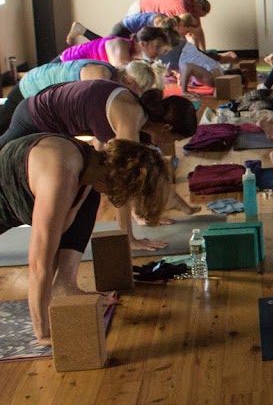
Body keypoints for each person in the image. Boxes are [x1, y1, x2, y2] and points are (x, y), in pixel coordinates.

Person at [4, 134, 170, 344]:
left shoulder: (90, 163)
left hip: (24, 173)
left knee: (82, 203)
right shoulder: (63, 175)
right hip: (7, 185)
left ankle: (64, 287)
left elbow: (61, 230)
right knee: (45, 250)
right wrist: (43, 332)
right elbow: (38, 263)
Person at [0, 80, 198, 250]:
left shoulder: (136, 114)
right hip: (33, 117)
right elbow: (123, 181)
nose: (172, 143)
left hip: (47, 121)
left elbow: (101, 153)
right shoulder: (130, 117)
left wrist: (149, 211)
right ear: (167, 127)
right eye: (176, 138)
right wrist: (128, 238)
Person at [0, 59, 165, 135]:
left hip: (40, 95)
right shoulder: (101, 75)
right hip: (29, 90)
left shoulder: (110, 76)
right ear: (130, 82)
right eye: (140, 91)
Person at [127, 0, 211, 50]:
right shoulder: (181, 5)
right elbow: (187, 33)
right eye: (198, 14)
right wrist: (196, 53)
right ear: (197, 7)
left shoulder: (193, 4)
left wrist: (204, 51)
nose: (197, 17)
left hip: (153, 16)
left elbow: (198, 30)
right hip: (140, 10)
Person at [57, 26, 171, 67]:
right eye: (156, 47)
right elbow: (120, 80)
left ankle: (82, 29)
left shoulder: (132, 51)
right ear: (143, 44)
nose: (158, 53)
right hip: (65, 62)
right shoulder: (121, 47)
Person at [65, 12, 165, 45]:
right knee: (105, 46)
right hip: (124, 28)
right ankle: (82, 30)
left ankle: (82, 30)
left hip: (129, 29)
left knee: (104, 44)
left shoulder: (163, 20)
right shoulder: (157, 22)